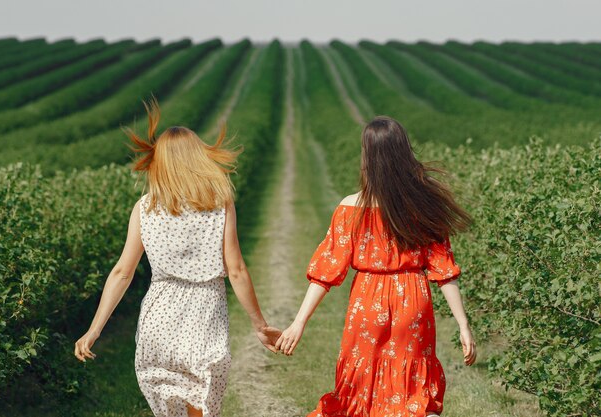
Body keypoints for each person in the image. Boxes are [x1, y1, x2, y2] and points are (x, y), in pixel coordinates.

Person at [74, 98, 281, 417]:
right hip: (205, 314)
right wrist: (259, 324)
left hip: (159, 315)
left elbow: (122, 273)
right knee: (201, 398)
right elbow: (236, 270)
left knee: (169, 403)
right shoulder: (220, 204)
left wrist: (95, 329)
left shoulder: (144, 208)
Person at [276, 116, 477, 417]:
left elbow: (326, 271)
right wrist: (463, 324)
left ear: (368, 157)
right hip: (412, 299)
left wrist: (299, 321)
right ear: (404, 153)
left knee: (360, 383)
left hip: (367, 302)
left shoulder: (350, 208)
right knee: (412, 386)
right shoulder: (423, 206)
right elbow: (443, 269)